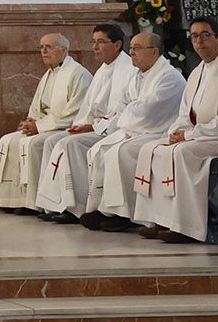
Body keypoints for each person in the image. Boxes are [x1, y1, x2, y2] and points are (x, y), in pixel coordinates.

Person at [132, 19, 218, 243]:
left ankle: (186, 226)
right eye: (194, 36)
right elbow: (185, 112)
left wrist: (188, 136)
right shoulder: (198, 71)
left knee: (180, 152)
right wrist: (176, 131)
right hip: (203, 135)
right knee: (153, 148)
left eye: (205, 35)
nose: (199, 41)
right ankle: (161, 219)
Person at [81, 32, 188, 232]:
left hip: (159, 132)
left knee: (121, 152)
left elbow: (147, 112)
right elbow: (123, 107)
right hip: (136, 130)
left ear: (154, 51)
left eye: (137, 48)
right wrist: (130, 111)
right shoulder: (138, 75)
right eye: (131, 48)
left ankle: (125, 213)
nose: (131, 53)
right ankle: (103, 208)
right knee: (100, 149)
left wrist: (129, 112)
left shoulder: (169, 77)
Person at [34, 25, 139, 222]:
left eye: (101, 42)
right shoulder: (102, 70)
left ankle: (78, 206)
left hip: (113, 130)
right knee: (53, 141)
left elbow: (125, 112)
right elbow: (88, 107)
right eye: (93, 42)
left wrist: (91, 127)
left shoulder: (128, 70)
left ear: (117, 45)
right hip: (96, 126)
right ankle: (55, 204)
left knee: (70, 144)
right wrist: (80, 125)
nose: (95, 47)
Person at [0, 35, 92, 213]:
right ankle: (15, 200)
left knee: (33, 144)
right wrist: (31, 122)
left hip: (63, 127)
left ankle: (35, 203)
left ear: (64, 50)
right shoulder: (49, 73)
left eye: (49, 47)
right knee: (8, 140)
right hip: (45, 124)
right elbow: (38, 105)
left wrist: (39, 127)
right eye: (41, 47)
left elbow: (74, 113)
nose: (44, 51)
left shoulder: (78, 74)